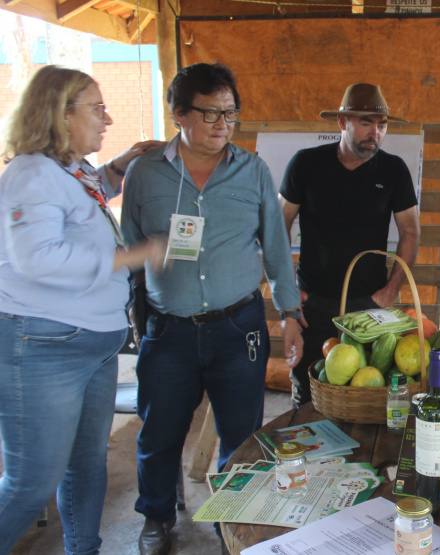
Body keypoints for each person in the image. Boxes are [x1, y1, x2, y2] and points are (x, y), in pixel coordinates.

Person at [121, 63, 303, 555]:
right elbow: (131, 250)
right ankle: (156, 516)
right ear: (179, 114)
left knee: (241, 436)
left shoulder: (252, 171)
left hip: (237, 327)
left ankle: (235, 521)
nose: (223, 124)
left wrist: (290, 313)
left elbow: (275, 247)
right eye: (211, 114)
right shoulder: (144, 174)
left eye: (231, 113)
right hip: (169, 330)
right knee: (159, 433)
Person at [0, 65, 164, 555]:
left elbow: (89, 195)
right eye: (96, 109)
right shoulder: (29, 174)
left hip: (90, 344)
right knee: (32, 480)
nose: (107, 118)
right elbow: (39, 257)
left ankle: (84, 550)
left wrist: (121, 165)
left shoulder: (69, 170)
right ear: (60, 114)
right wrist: (131, 255)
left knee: (87, 461)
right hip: (45, 346)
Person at [279, 83, 420, 407]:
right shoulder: (306, 164)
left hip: (369, 306)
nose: (376, 133)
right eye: (366, 123)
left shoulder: (393, 169)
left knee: (366, 397)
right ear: (343, 123)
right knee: (308, 394)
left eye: (382, 125)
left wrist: (389, 291)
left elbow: (410, 231)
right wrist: (287, 287)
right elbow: (278, 223)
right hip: (311, 303)